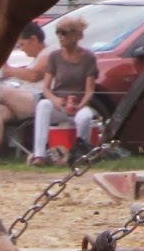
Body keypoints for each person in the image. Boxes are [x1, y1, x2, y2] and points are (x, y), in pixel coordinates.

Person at [30, 15, 99, 165]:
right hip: (59, 106)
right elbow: (46, 88)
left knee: (85, 117)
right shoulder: (54, 56)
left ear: (76, 35)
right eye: (58, 33)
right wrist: (55, 100)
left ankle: (81, 153)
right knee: (43, 105)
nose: (60, 37)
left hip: (78, 105)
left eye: (64, 33)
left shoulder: (88, 58)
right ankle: (39, 155)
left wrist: (80, 106)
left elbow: (89, 91)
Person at [0, 21, 49, 158]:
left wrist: (8, 69)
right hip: (25, 100)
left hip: (40, 99)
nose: (22, 50)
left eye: (22, 45)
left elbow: (35, 75)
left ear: (33, 39)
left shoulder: (50, 52)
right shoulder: (35, 59)